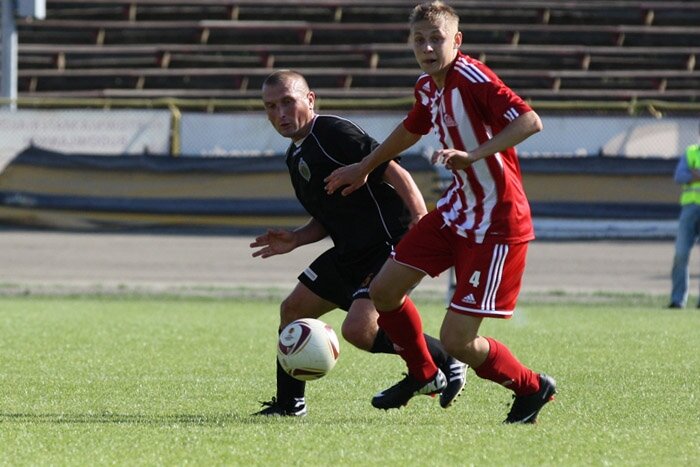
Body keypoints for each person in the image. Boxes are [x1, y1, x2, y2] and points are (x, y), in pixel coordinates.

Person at [324, 1, 556, 424]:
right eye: (419, 40)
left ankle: (531, 387)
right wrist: (365, 166)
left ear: (457, 40)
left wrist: (474, 155)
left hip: (496, 223)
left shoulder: (473, 78)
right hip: (455, 212)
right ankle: (424, 374)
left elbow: (529, 121)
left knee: (458, 340)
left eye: (437, 39)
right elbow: (411, 128)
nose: (428, 47)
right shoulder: (427, 87)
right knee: (383, 291)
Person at [251, 70, 467, 417]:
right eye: (270, 106)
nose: (280, 114)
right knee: (293, 310)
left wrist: (419, 219)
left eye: (288, 102)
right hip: (350, 251)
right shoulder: (295, 156)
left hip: (387, 243)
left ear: (310, 99)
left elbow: (394, 171)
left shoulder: (332, 132)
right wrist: (297, 238)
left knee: (359, 330)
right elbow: (327, 216)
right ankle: (289, 405)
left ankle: (445, 359)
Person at [669, 124, 700, 309]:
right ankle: (678, 300)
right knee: (681, 253)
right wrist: (694, 176)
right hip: (689, 209)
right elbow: (679, 176)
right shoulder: (691, 152)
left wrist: (695, 174)